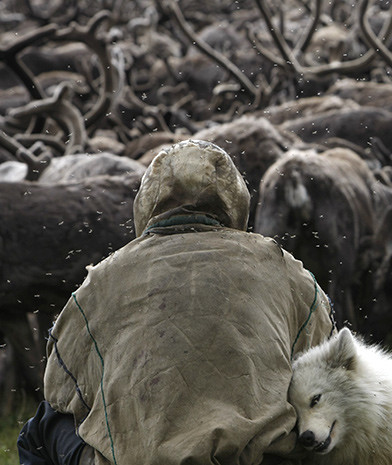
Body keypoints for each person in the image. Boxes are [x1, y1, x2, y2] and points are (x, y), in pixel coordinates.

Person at [18, 139, 335, 465]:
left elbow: (61, 387)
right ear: (234, 199)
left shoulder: (103, 279)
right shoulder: (281, 267)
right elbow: (324, 360)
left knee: (41, 427)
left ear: (148, 203)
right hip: (258, 459)